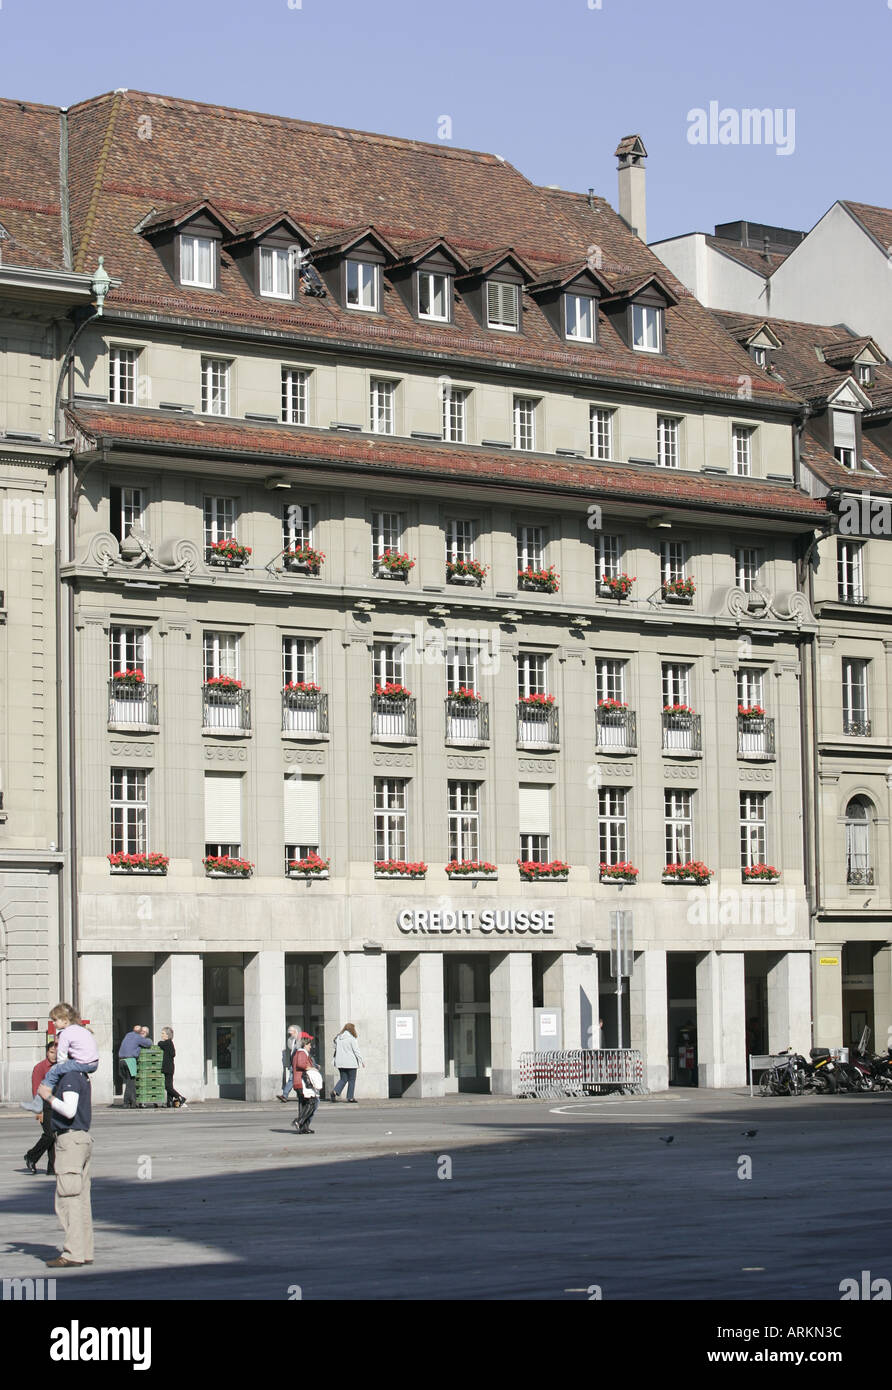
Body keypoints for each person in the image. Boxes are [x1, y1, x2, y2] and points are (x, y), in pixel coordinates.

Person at [37, 1066, 93, 1267]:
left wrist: (48, 1096)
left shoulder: (70, 1076)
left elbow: (69, 1110)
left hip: (70, 1141)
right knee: (82, 1200)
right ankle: (85, 1251)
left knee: (68, 1200)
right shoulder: (81, 1075)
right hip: (82, 1139)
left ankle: (73, 1253)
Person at [21, 1004, 99, 1113]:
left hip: (83, 1063)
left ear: (65, 1020)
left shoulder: (65, 1033)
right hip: (93, 1063)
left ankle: (38, 1102)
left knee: (53, 1070)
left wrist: (60, 1068)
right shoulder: (81, 1029)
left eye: (55, 1020)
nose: (53, 1023)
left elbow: (61, 1056)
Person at [24, 1042, 58, 1175]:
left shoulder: (60, 1067)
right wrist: (39, 1111)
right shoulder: (40, 1067)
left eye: (55, 1052)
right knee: (49, 1135)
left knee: (54, 1137)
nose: (53, 1055)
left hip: (57, 1104)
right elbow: (35, 1090)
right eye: (51, 1052)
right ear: (46, 1052)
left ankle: (52, 1168)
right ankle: (31, 1156)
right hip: (45, 1105)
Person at [117, 1023, 153, 1108]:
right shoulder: (138, 1037)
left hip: (121, 1061)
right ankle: (126, 1102)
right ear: (140, 1032)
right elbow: (148, 1043)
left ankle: (133, 1102)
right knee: (130, 1083)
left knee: (129, 1082)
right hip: (129, 1061)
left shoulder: (128, 1035)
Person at [291, 1032, 318, 1134]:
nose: (310, 1047)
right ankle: (299, 1121)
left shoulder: (298, 1052)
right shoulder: (302, 1052)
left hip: (299, 1082)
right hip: (302, 1082)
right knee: (312, 1102)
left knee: (304, 1104)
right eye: (309, 1045)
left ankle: (304, 1127)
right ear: (305, 1044)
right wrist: (312, 1068)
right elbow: (301, 1065)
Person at [330, 1023, 364, 1103]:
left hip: (340, 1062)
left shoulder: (338, 1037)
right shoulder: (352, 1038)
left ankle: (334, 1092)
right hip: (351, 1063)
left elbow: (334, 1047)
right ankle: (350, 1097)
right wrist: (361, 1060)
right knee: (352, 1080)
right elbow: (356, 1051)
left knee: (343, 1079)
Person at [158, 1027, 186, 1108]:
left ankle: (180, 1097)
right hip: (170, 1068)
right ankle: (169, 1103)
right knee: (169, 1085)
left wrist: (160, 1042)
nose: (162, 1035)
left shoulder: (167, 1043)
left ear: (167, 1035)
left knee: (168, 1086)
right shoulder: (170, 1043)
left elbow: (160, 1043)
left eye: (163, 1033)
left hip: (168, 1068)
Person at [278, 1024, 300, 1102]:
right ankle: (285, 1095)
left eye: (291, 1032)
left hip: (299, 1064)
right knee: (291, 1079)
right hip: (293, 1064)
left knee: (300, 1080)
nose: (290, 1034)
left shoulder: (300, 1041)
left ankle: (286, 1095)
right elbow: (292, 1053)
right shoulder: (293, 1041)